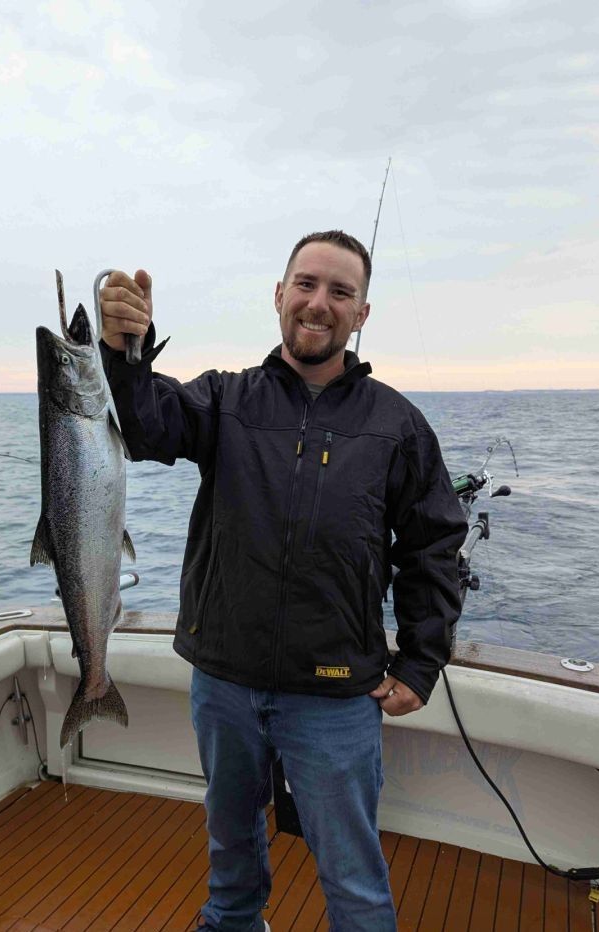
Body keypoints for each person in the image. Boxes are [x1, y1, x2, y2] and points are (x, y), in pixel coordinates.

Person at [99, 230, 468, 932]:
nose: (318, 303)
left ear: (361, 314)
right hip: (224, 680)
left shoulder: (397, 424)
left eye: (340, 291)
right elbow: (145, 428)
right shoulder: (225, 400)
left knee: (353, 876)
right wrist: (124, 352)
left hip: (334, 692)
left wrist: (421, 663)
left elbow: (434, 545)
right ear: (278, 295)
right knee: (230, 847)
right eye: (305, 283)